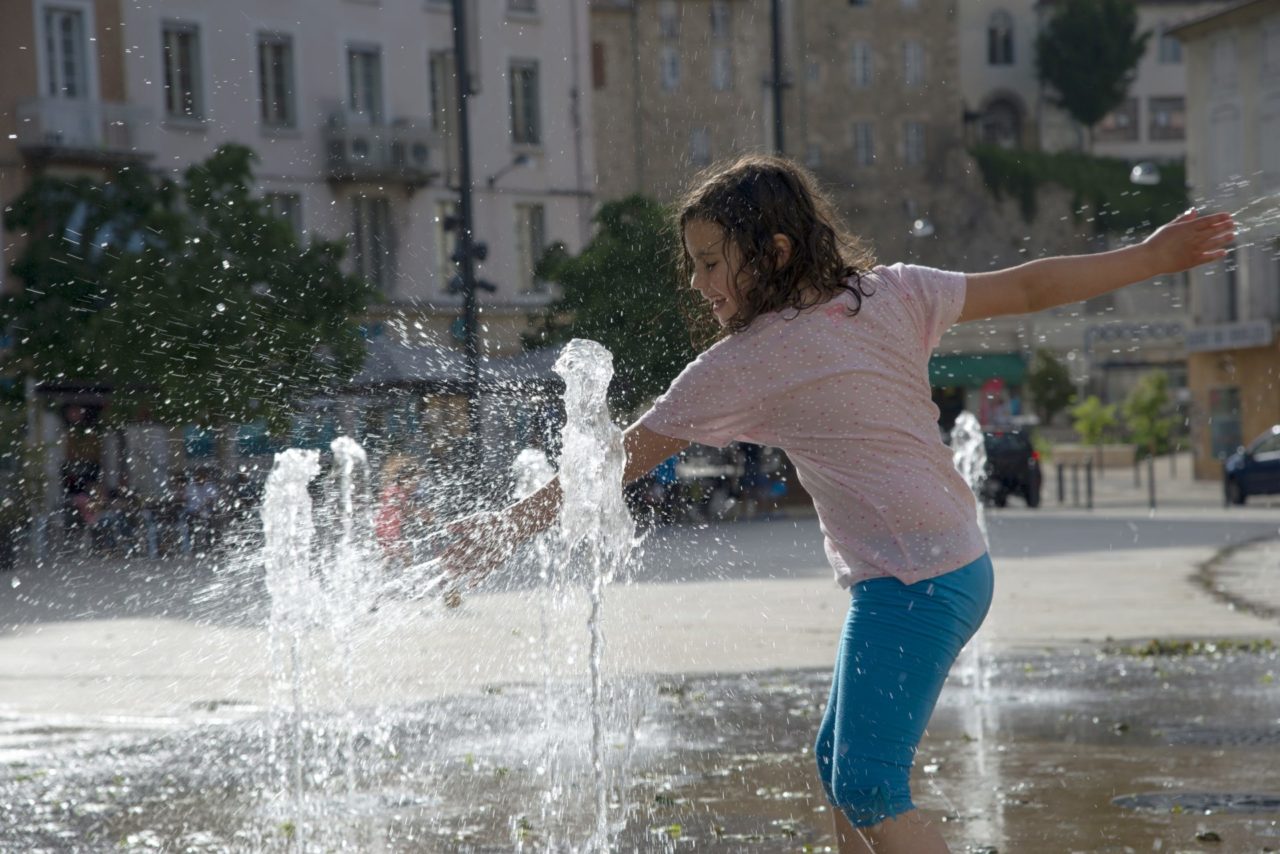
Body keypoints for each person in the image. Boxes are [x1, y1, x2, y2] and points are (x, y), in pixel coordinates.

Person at [441, 154, 1234, 853]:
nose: (698, 282)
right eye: (694, 264)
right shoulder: (869, 304)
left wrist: (1151, 256)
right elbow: (620, 456)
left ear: (775, 252)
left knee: (868, 787)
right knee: (840, 769)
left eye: (713, 262)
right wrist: (1151, 257)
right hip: (922, 572)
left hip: (921, 578)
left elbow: (1028, 286)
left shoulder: (837, 320)